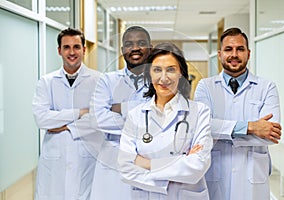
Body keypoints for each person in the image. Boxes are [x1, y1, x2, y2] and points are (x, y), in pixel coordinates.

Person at [194, 27, 282, 200]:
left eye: (240, 49)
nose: (234, 54)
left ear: (248, 54)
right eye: (228, 49)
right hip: (216, 175)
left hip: (253, 177)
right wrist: (250, 127)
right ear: (220, 54)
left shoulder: (267, 87)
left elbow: (269, 135)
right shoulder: (206, 87)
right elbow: (203, 128)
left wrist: (222, 130)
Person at [118, 42, 213, 199]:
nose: (163, 78)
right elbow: (125, 168)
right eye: (157, 70)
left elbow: (197, 166)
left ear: (181, 73)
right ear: (149, 74)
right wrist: (180, 162)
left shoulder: (200, 112)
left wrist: (147, 164)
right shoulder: (135, 115)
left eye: (171, 69)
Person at [32, 28, 101, 200]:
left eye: (77, 47)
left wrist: (63, 124)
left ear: (84, 50)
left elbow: (98, 118)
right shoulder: (46, 82)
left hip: (87, 158)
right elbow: (41, 118)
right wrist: (80, 112)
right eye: (67, 47)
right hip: (55, 160)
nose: (72, 52)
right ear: (59, 50)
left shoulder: (99, 80)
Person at [89, 26, 152, 200]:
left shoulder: (160, 80)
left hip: (149, 157)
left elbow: (160, 117)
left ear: (150, 48)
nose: (135, 48)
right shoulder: (107, 80)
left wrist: (120, 108)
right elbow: (96, 119)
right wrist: (141, 111)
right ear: (122, 50)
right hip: (113, 158)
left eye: (141, 43)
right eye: (129, 44)